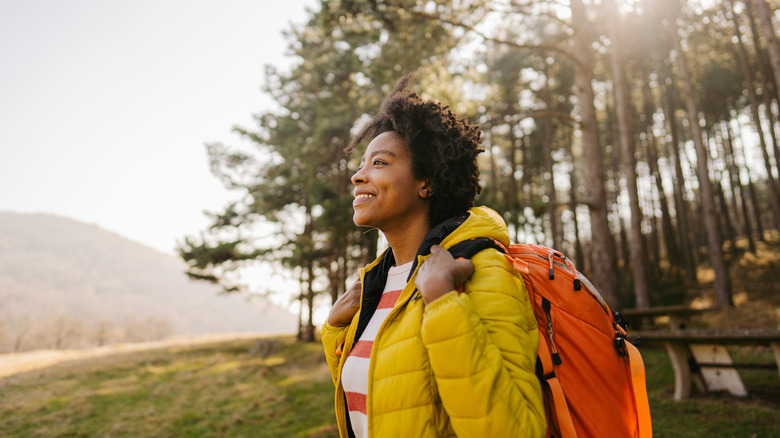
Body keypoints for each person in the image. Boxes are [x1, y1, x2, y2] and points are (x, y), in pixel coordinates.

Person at [321, 75, 546, 437]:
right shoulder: (374, 287)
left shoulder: (478, 268)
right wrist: (335, 331)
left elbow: (515, 430)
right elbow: (379, 408)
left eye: (379, 163)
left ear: (426, 182)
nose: (357, 177)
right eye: (361, 164)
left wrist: (442, 303)